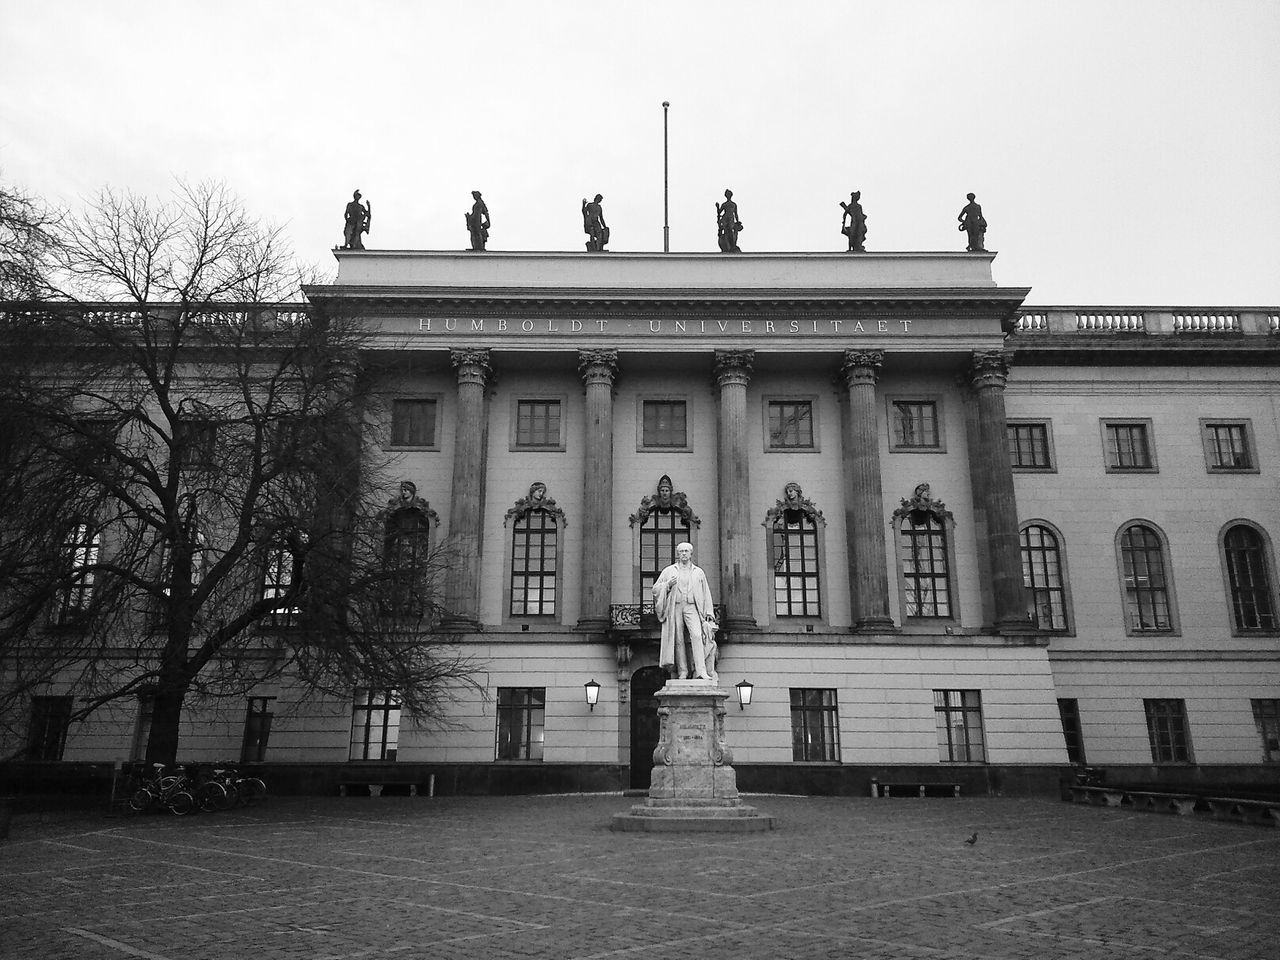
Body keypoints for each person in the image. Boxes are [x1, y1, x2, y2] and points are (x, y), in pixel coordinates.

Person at [652, 542, 717, 681]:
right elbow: (655, 589)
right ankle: (683, 671)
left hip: (692, 607)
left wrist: (709, 613)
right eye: (681, 551)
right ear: (677, 553)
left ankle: (701, 671)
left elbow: (706, 593)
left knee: (697, 635)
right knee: (679, 639)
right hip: (675, 606)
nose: (683, 554)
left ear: (691, 553)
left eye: (686, 551)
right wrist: (667, 585)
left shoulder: (698, 572)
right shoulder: (669, 571)